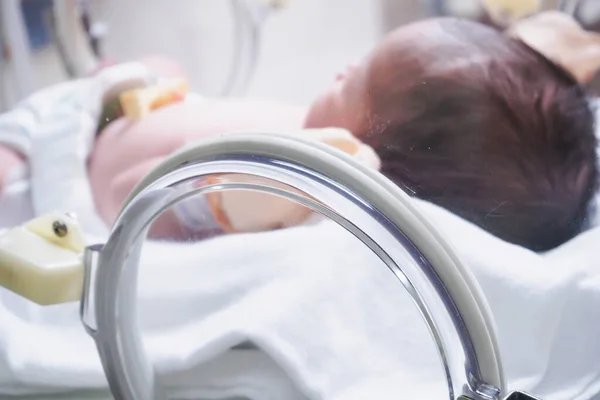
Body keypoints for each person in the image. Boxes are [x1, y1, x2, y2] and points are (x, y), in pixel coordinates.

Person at [0, 13, 598, 251]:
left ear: (374, 161)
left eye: (355, 80)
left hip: (58, 167)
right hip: (112, 111)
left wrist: (218, 205)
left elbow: (125, 200)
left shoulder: (280, 197)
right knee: (162, 69)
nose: (341, 70)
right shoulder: (317, 135)